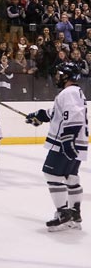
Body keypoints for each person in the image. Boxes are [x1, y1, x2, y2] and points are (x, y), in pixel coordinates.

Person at [25, 62, 87, 231]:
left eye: (60, 74)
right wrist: (39, 116)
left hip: (64, 143)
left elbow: (74, 116)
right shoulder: (74, 92)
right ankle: (74, 214)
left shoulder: (69, 93)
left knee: (51, 174)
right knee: (71, 177)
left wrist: (67, 141)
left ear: (67, 75)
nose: (57, 77)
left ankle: (63, 213)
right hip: (77, 143)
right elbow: (57, 114)